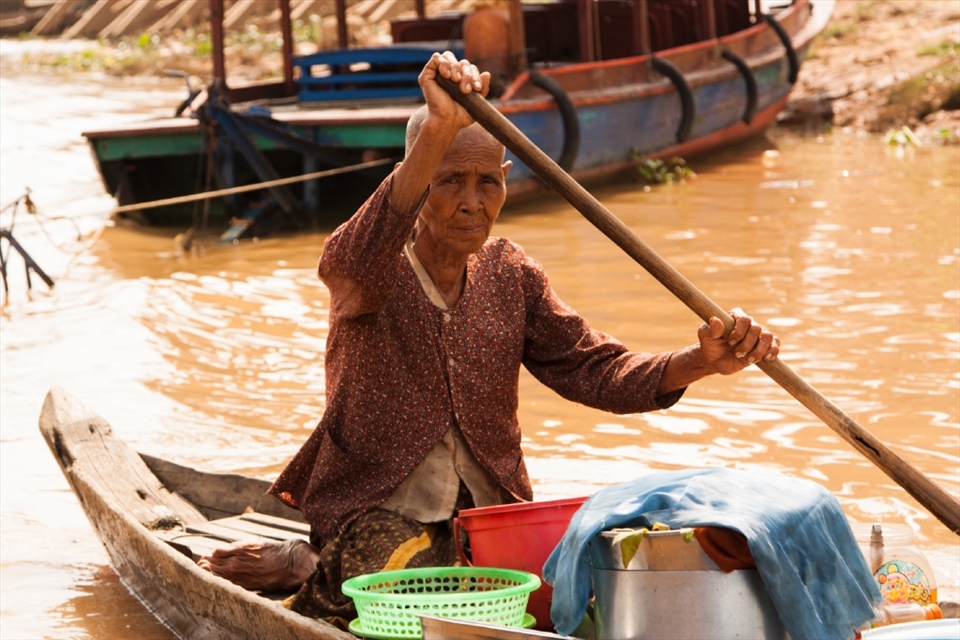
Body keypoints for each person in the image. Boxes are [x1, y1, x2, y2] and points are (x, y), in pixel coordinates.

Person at [198, 51, 780, 629]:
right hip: (375, 508)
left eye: (486, 183)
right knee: (413, 586)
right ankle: (310, 560)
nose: (472, 203)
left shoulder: (511, 273)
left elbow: (590, 367)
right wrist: (437, 130)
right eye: (449, 181)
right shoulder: (371, 265)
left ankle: (309, 564)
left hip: (492, 513)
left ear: (505, 182)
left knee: (575, 586)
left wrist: (697, 361)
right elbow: (349, 260)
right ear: (419, 180)